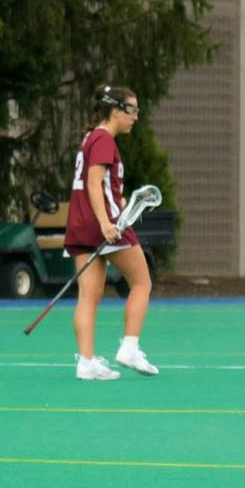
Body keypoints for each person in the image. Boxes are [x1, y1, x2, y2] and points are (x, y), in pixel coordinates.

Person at [64, 86, 158, 381]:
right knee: (142, 282)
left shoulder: (91, 138)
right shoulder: (104, 140)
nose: (135, 117)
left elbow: (103, 187)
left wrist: (121, 203)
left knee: (88, 297)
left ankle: (86, 362)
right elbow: (94, 185)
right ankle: (129, 347)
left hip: (79, 223)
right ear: (115, 110)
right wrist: (107, 222)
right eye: (132, 111)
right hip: (103, 224)